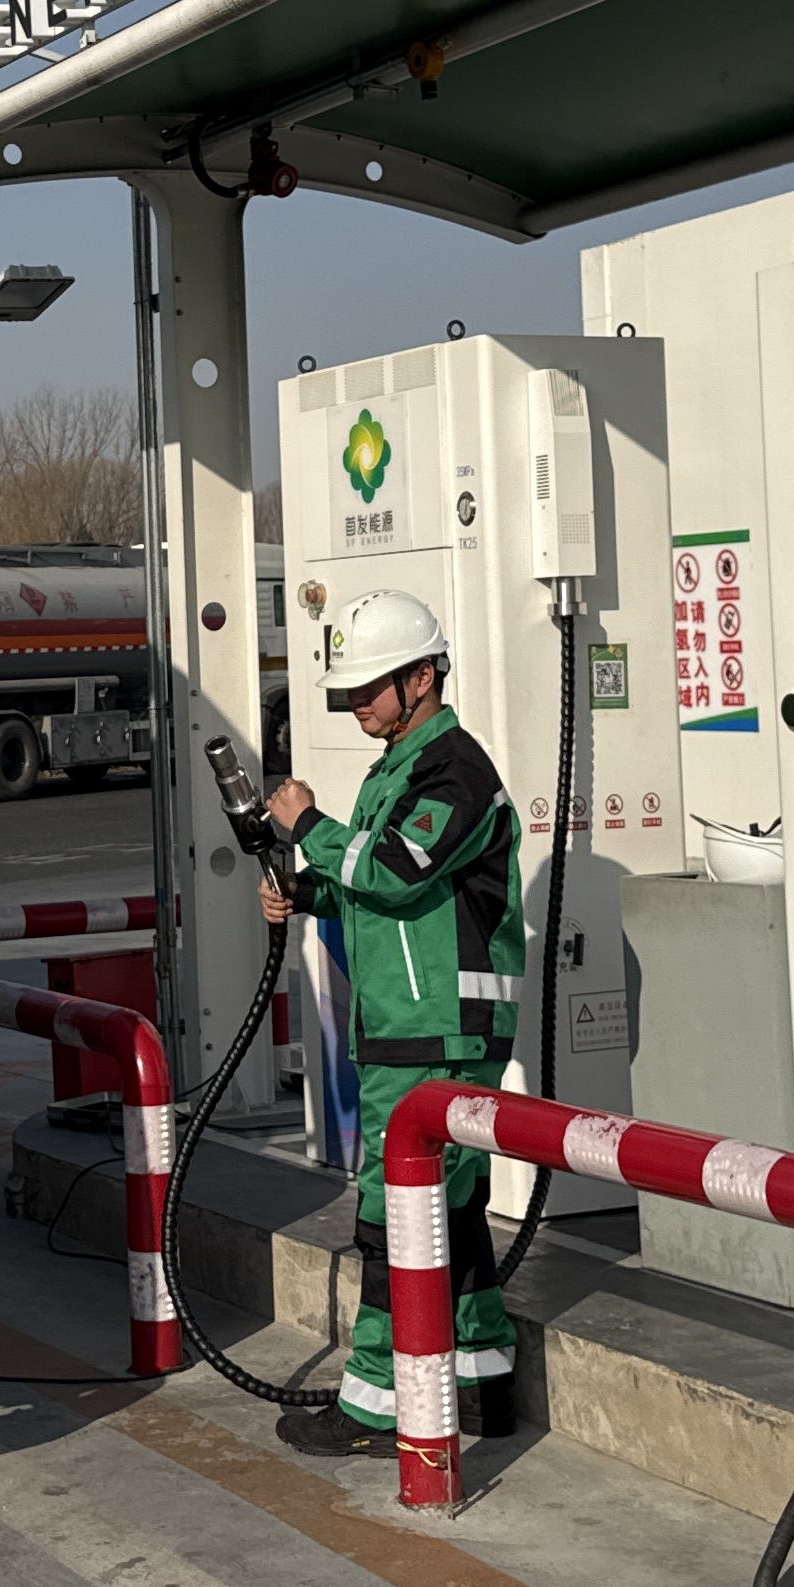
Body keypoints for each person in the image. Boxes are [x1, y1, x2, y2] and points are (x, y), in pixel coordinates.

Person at [257, 590, 522, 1454]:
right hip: (412, 1022)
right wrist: (306, 890)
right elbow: (372, 887)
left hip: (439, 1026)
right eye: (347, 691)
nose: (355, 704)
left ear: (422, 677)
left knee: (392, 1214)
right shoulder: (397, 770)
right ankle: (482, 1378)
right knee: (454, 1205)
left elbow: (399, 869)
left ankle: (376, 1402)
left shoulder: (455, 771)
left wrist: (309, 827)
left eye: (367, 687)